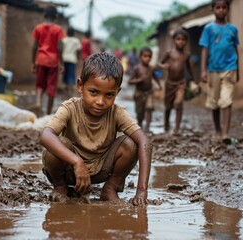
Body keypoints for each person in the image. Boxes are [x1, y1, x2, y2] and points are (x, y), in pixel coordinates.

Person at [39, 52, 152, 206]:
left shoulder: (117, 112)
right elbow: (45, 135)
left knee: (130, 144)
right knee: (57, 144)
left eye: (109, 95)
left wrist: (142, 190)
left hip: (101, 171)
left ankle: (110, 188)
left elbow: (144, 141)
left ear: (117, 93)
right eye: (93, 92)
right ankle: (60, 186)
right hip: (71, 171)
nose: (100, 101)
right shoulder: (70, 108)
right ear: (80, 86)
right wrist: (77, 162)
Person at [199, 0, 240, 142]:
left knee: (227, 100)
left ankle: (225, 133)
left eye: (224, 7)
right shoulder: (208, 29)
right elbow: (205, 49)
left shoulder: (233, 29)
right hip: (213, 69)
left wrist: (238, 69)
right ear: (213, 9)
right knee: (214, 102)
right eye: (218, 7)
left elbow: (235, 49)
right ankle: (217, 130)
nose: (221, 10)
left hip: (230, 68)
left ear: (228, 9)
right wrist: (203, 70)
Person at [159, 29, 195, 134]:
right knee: (168, 106)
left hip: (181, 83)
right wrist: (164, 66)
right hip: (170, 83)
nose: (181, 42)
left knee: (179, 103)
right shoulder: (169, 53)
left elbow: (189, 68)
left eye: (183, 40)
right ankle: (166, 125)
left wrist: (193, 80)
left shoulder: (186, 55)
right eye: (178, 39)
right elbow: (160, 63)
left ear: (186, 41)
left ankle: (177, 128)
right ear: (174, 40)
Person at [31, 5, 65, 114]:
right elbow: (60, 47)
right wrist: (61, 63)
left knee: (40, 84)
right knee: (51, 87)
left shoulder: (38, 28)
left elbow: (34, 46)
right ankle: (48, 113)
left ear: (44, 15)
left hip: (40, 59)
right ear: (56, 16)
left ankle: (38, 102)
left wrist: (33, 62)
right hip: (53, 61)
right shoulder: (58, 29)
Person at [128, 47, 162, 133]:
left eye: (149, 56)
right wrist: (139, 79)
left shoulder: (151, 68)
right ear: (140, 57)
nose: (147, 58)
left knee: (149, 108)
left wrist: (159, 85)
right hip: (139, 93)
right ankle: (140, 123)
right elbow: (130, 81)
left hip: (149, 92)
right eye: (145, 56)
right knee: (140, 112)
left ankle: (147, 127)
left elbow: (155, 77)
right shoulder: (137, 68)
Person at [62, 27, 81, 97]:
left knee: (65, 74)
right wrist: (78, 59)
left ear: (67, 33)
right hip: (72, 59)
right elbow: (78, 51)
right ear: (74, 33)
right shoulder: (76, 41)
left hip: (64, 59)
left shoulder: (64, 40)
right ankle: (70, 92)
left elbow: (61, 50)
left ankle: (66, 91)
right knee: (71, 75)